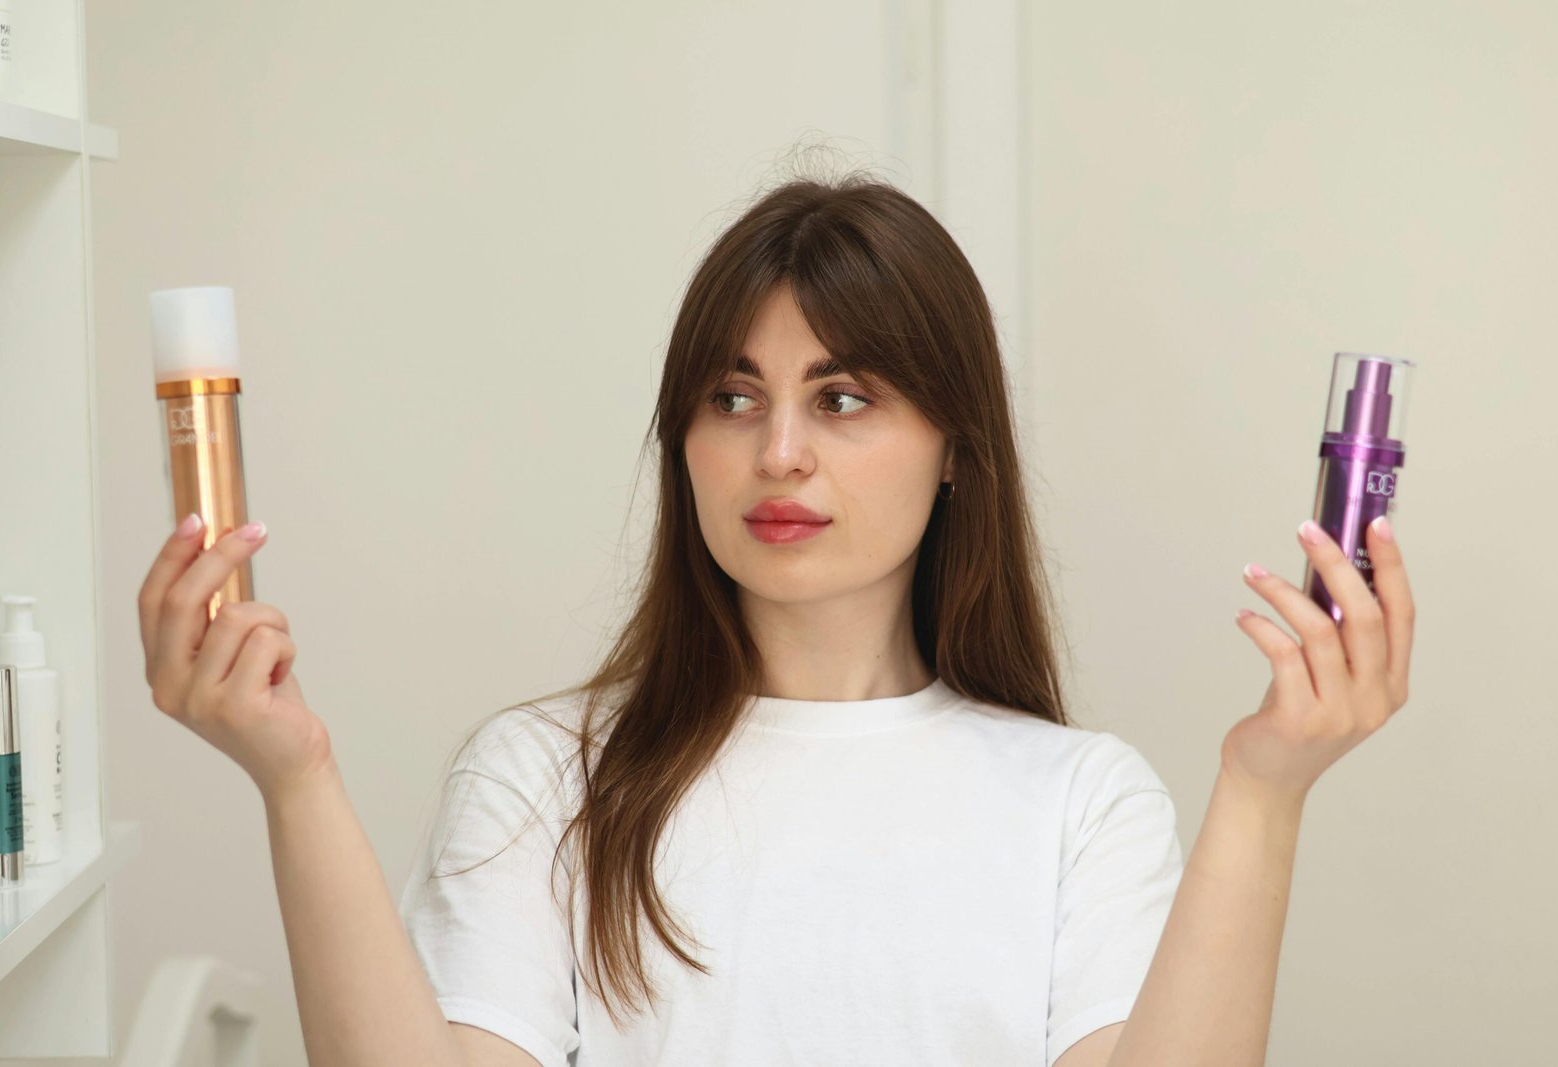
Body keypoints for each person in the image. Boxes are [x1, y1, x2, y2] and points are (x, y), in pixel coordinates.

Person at [137, 172, 1416, 1067]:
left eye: (844, 397)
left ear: (955, 444)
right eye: (732, 397)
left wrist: (1265, 793)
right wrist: (294, 780)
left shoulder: (1082, 801)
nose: (781, 452)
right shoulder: (544, 779)